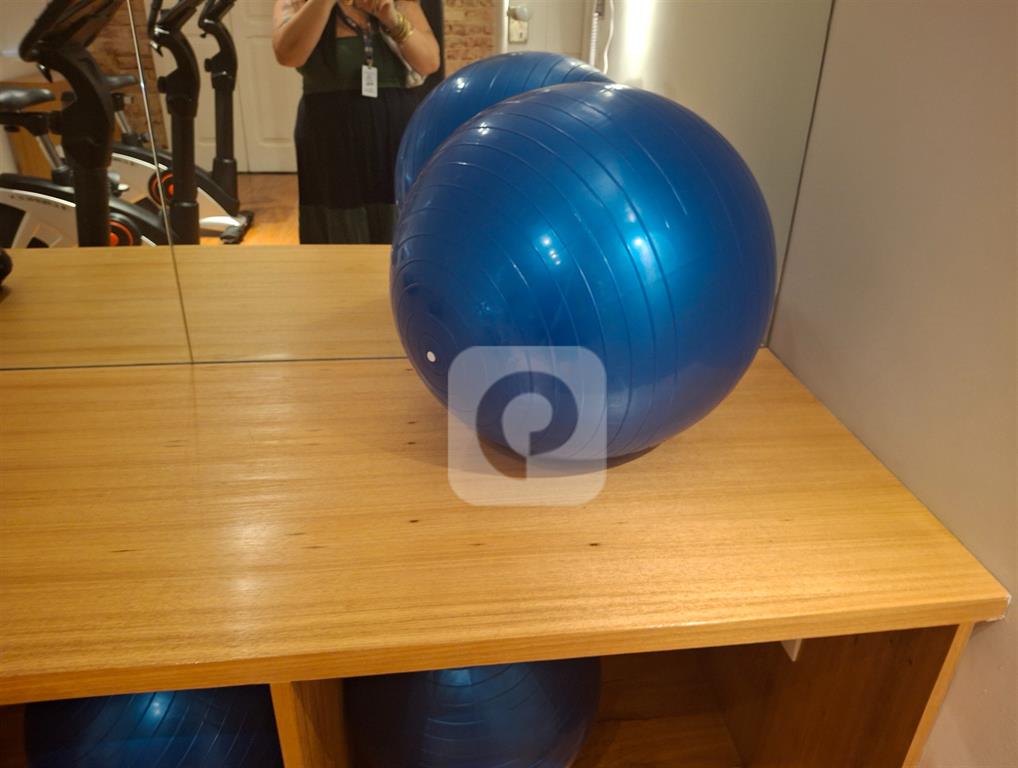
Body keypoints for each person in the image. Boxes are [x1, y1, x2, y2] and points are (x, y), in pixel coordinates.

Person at [272, 0, 440, 244]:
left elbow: (430, 62)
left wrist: (391, 18)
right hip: (330, 134)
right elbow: (288, 55)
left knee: (397, 223)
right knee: (338, 228)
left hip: (393, 129)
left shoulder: (398, 2)